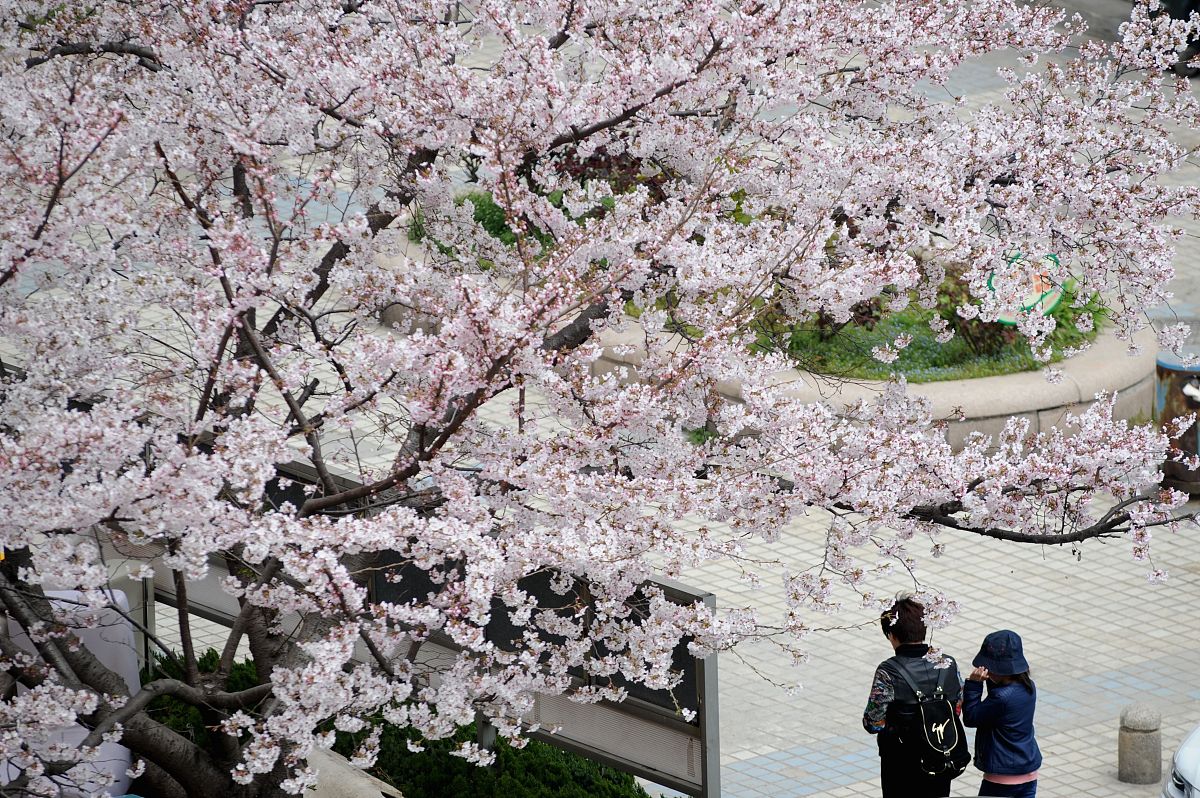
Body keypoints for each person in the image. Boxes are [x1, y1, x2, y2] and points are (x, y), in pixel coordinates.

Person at [862, 593, 964, 798]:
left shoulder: (888, 671)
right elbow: (957, 707)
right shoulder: (948, 663)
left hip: (901, 761)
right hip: (940, 753)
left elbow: (873, 722)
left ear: (891, 634)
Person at [963, 630, 1043, 797]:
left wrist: (974, 685)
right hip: (1028, 770)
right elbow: (999, 702)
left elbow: (971, 717)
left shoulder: (1001, 698)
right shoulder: (1029, 686)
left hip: (1003, 777)